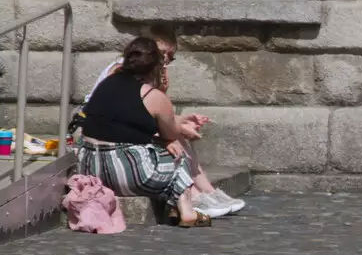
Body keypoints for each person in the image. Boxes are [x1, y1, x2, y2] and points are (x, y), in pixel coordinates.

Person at [79, 26, 244, 218]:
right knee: (175, 153)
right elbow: (168, 131)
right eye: (162, 56)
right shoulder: (152, 94)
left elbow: (134, 116)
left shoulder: (109, 82)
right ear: (155, 63)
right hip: (124, 171)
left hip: (90, 166)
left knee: (170, 143)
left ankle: (208, 193)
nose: (166, 61)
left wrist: (179, 123)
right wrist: (177, 130)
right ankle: (192, 203)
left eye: (169, 56)